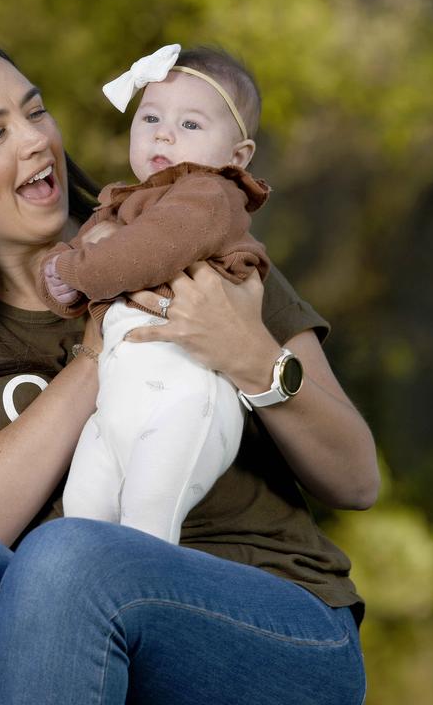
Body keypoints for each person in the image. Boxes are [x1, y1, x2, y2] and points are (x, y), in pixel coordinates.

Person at [0, 35, 379, 704]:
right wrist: (99, 348)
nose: (36, 141)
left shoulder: (195, 250)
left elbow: (357, 478)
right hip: (65, 644)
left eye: (35, 113)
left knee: (68, 559)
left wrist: (250, 355)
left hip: (275, 628)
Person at [37, 43, 274, 544]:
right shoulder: (122, 206)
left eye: (190, 125)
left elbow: (142, 254)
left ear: (237, 155)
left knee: (147, 523)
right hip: (118, 402)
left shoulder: (209, 195)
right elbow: (89, 280)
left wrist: (77, 265)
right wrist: (63, 280)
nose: (163, 133)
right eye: (150, 117)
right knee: (79, 524)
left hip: (185, 398)